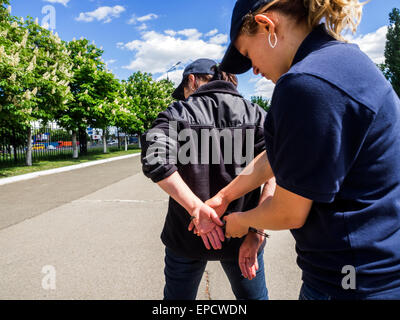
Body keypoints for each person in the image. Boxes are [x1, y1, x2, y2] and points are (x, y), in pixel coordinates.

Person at [207, 0, 400, 300]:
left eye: (249, 55)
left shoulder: (306, 84)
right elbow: (281, 155)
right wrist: (224, 196)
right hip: (375, 270)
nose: (254, 70)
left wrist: (240, 222)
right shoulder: (339, 61)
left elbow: (289, 212)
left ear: (267, 26)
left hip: (348, 282)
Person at [141, 58, 272, 300]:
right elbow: (276, 169)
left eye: (184, 89)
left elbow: (154, 159)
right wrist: (257, 232)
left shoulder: (177, 112)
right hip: (243, 236)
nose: (185, 95)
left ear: (191, 80)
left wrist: (197, 209)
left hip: (186, 235)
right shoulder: (256, 114)